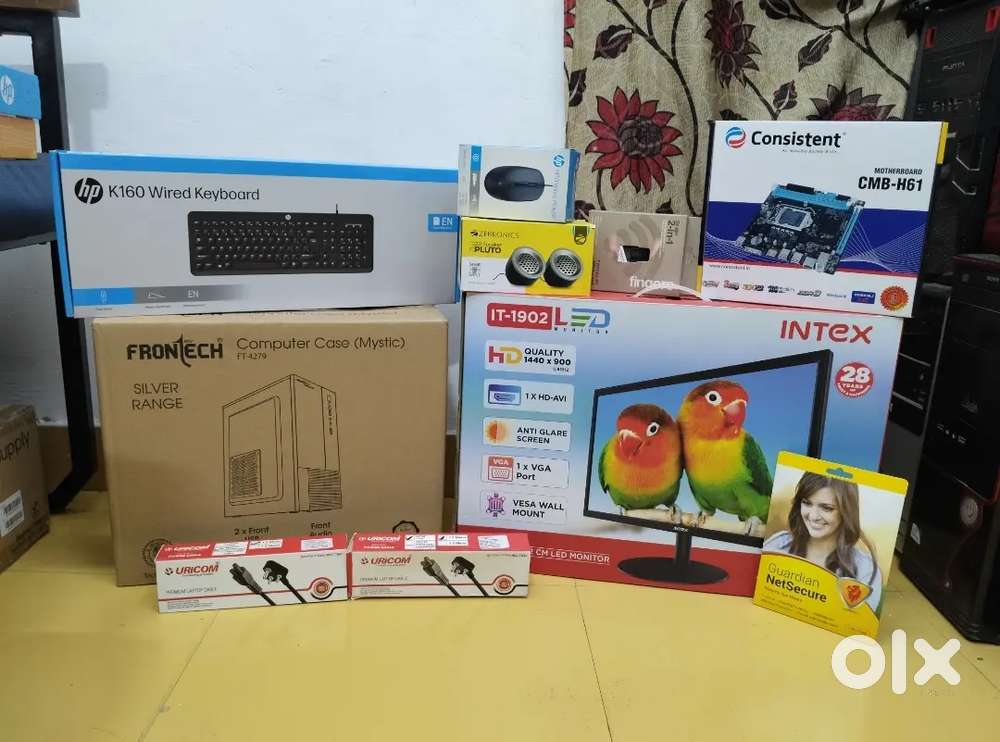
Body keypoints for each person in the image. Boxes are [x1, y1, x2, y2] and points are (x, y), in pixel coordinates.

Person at [763, 472, 882, 612]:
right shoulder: (777, 545)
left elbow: (859, 620)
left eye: (827, 508)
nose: (813, 516)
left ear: (846, 512)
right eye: (807, 503)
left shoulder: (866, 570)